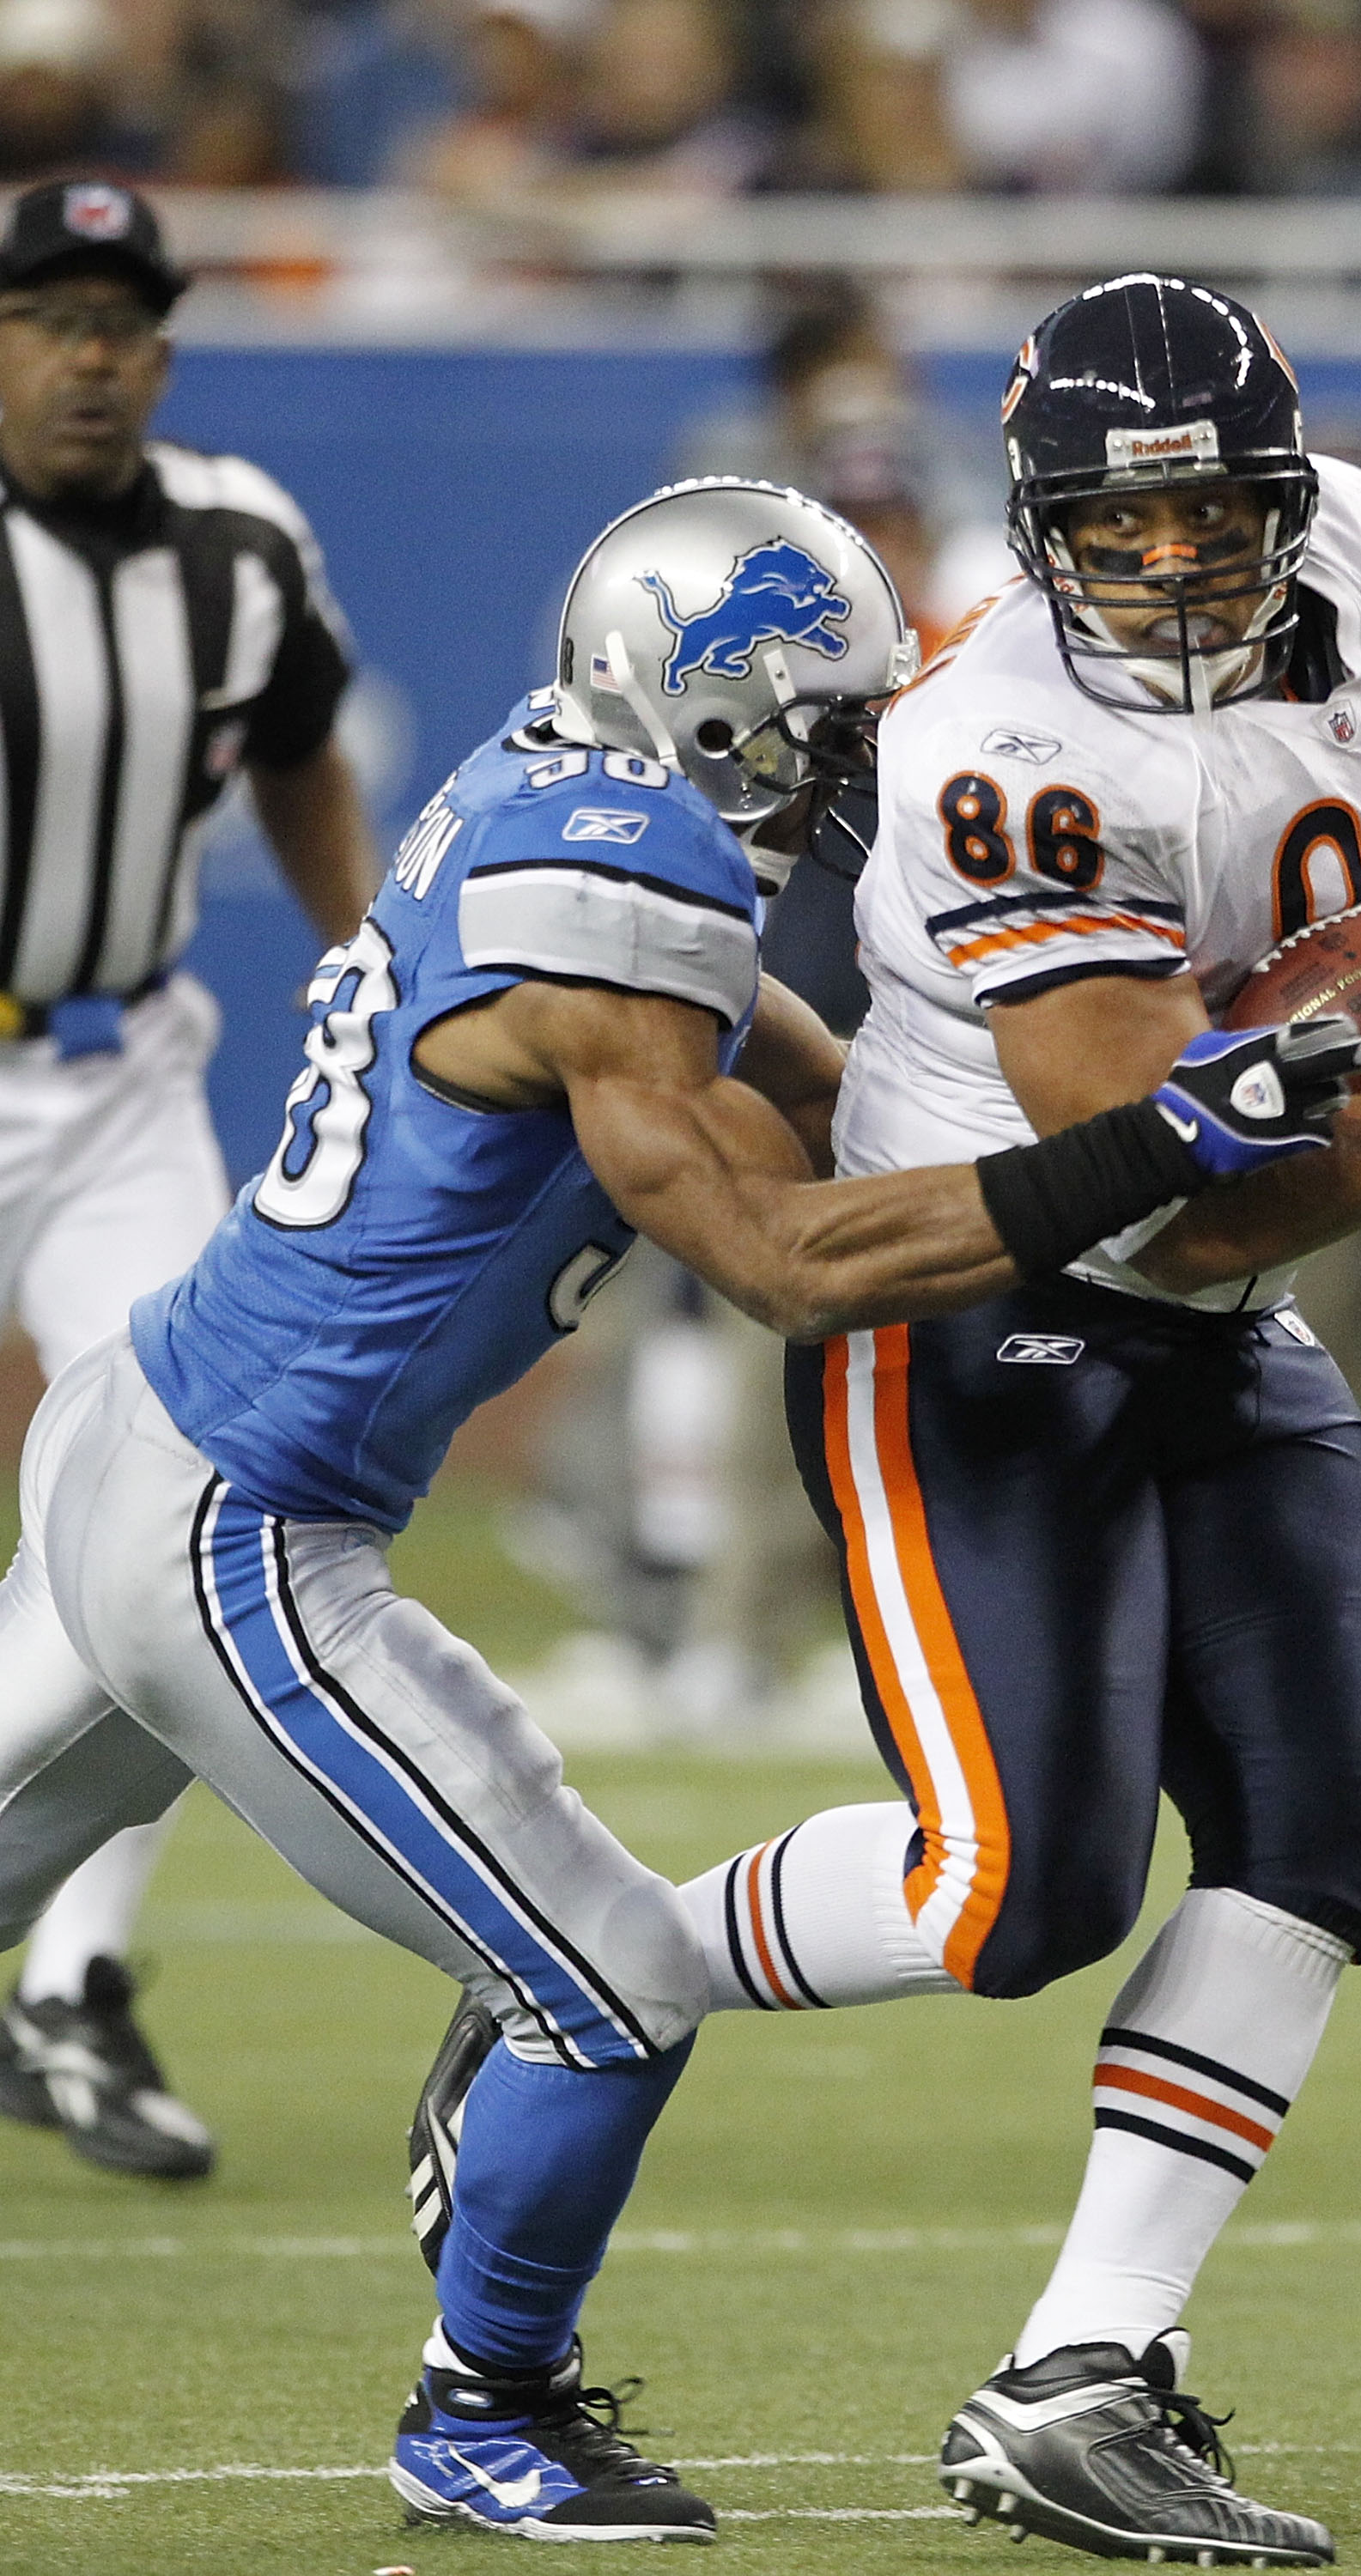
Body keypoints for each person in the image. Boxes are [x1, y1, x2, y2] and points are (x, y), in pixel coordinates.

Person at [0, 469, 1361, 2543]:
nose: (846, 772)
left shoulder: (560, 786)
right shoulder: (626, 902)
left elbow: (822, 1095)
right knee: (611, 1983)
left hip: (134, 1426)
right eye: (822, 727)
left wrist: (1123, 1115)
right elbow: (784, 1263)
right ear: (717, 706)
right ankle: (486, 2402)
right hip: (245, 1534)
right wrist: (1147, 1144)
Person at [647, 282, 1361, 2564]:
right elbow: (1190, 1173)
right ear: (1044, 527)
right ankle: (588, 1959)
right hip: (993, 1306)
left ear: (1290, 495)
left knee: (1324, 1836)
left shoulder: (1360, 547)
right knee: (1018, 1891)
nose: (1177, 571)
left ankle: (1079, 2374)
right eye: (1123, 535)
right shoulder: (999, 749)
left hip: (1221, 1317)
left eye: (1218, 523)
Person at [0, 176, 376, 2181]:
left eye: (122, 322)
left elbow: (305, 740)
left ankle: (73, 1985)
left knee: (176, 1512)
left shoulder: (235, 544)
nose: (89, 357)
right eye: (49, 316)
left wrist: (368, 967)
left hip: (118, 1062)